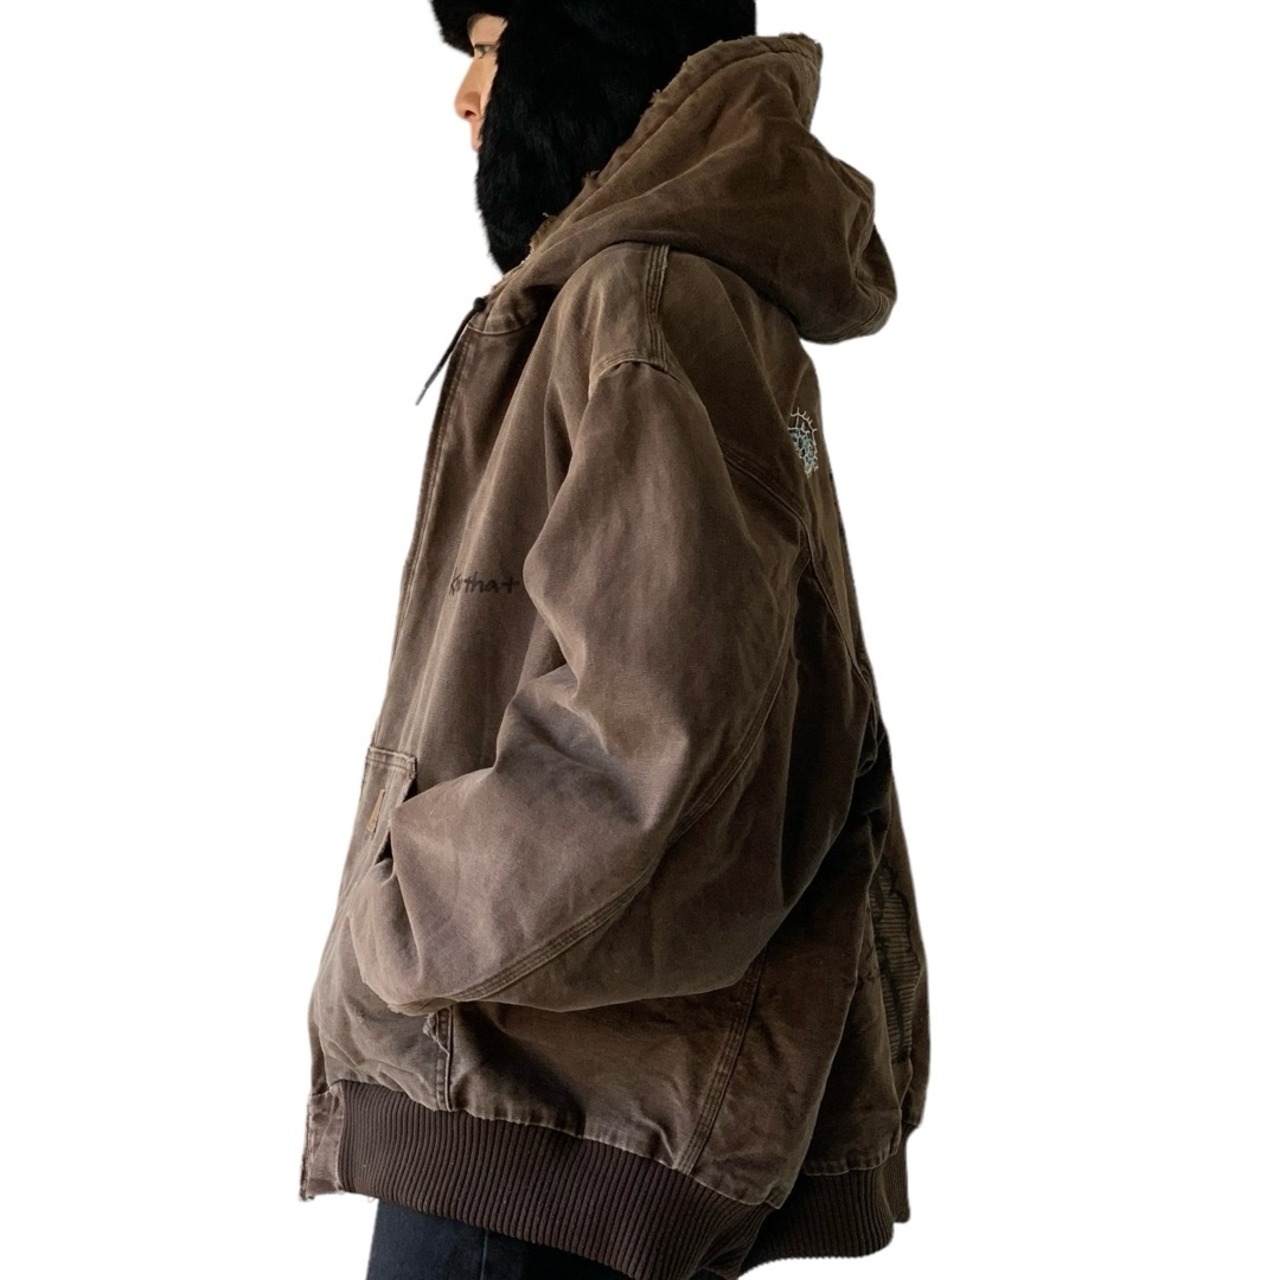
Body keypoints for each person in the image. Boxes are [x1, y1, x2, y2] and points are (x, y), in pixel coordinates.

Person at [298, 4, 931, 1279]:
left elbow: (653, 718)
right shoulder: (682, 296)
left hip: (541, 1112)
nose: (466, 98)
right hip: (582, 1102)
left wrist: (408, 904)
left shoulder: (641, 297)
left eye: (488, 48)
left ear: (578, 55)